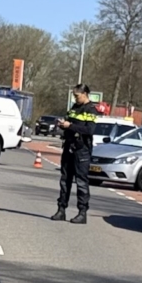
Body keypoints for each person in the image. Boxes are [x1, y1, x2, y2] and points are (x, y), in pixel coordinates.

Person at [52, 84, 101, 223]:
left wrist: (71, 126)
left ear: (85, 94)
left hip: (82, 149)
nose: (75, 98)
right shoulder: (74, 108)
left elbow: (89, 130)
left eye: (77, 96)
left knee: (81, 181)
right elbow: (69, 122)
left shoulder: (91, 110)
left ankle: (82, 213)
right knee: (65, 180)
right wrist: (63, 124)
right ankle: (61, 210)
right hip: (69, 146)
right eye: (74, 96)